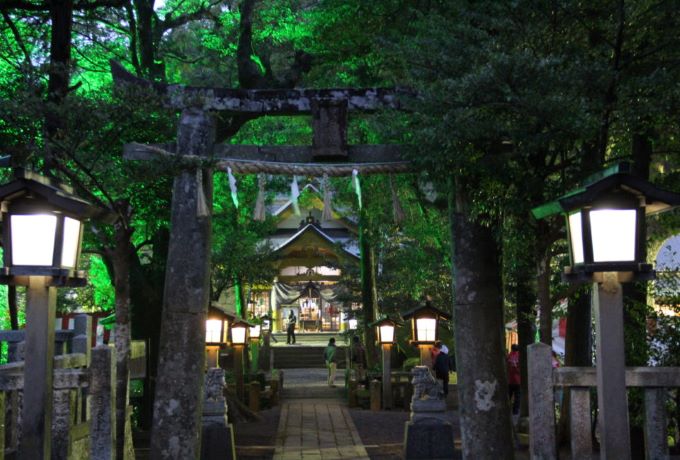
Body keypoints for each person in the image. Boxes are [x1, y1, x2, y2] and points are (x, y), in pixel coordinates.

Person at [507, 344, 521, 417]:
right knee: (517, 396)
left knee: (509, 395)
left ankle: (507, 409)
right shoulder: (519, 356)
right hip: (518, 380)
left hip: (510, 380)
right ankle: (515, 411)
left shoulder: (509, 356)